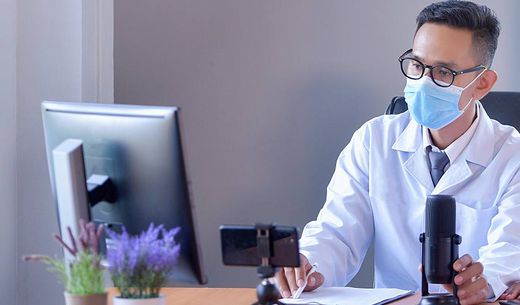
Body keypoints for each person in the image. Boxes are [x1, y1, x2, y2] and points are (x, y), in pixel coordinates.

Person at [275, 1, 520, 305]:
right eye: (417, 65)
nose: (423, 82)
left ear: (482, 83)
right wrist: (309, 264)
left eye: (443, 72)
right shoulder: (373, 140)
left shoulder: (513, 157)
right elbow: (336, 233)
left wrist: (484, 282)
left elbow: (510, 253)